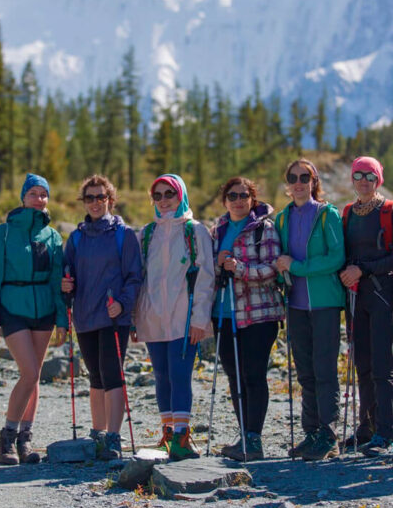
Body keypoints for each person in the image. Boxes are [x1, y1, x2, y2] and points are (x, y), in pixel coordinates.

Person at [0, 174, 67, 465]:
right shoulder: (3, 233)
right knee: (30, 373)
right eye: (33, 193)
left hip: (44, 310)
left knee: (34, 378)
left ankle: (26, 440)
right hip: (12, 309)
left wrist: (62, 319)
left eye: (43, 194)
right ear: (23, 197)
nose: (39, 199)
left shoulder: (53, 236)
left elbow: (57, 280)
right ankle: (7, 436)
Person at [61, 175, 143, 460]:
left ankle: (113, 436)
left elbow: (135, 276)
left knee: (112, 376)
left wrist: (122, 304)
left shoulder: (124, 235)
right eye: (89, 198)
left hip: (113, 317)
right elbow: (67, 272)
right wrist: (66, 285)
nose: (95, 203)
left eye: (100, 197)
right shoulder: (76, 237)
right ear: (83, 202)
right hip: (84, 316)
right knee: (95, 377)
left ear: (110, 200)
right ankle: (97, 433)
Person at [134, 174, 214, 461]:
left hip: (184, 317)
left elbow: (206, 278)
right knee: (161, 376)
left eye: (170, 193)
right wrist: (135, 318)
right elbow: (138, 278)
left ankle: (182, 435)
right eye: (158, 195)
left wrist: (199, 320)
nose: (164, 200)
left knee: (180, 375)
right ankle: (167, 435)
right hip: (153, 316)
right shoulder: (146, 234)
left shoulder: (196, 232)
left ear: (181, 195)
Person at [274, 162, 346, 461]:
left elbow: (336, 257)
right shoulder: (282, 218)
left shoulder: (327, 214)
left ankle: (329, 436)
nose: (299, 182)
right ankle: (311, 432)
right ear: (287, 183)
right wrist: (281, 273)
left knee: (324, 368)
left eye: (305, 177)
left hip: (325, 301)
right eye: (293, 178)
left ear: (314, 181)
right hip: (296, 304)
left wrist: (297, 267)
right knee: (305, 371)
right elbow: (280, 259)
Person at [211, 176, 283, 461]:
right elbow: (212, 272)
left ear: (253, 199)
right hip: (224, 313)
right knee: (234, 376)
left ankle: (254, 439)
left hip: (259, 314)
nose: (238, 200)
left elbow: (272, 269)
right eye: (232, 195)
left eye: (244, 195)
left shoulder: (264, 229)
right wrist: (219, 267)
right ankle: (245, 437)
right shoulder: (218, 229)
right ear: (225, 200)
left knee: (253, 374)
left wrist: (238, 268)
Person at [339, 156, 393, 457]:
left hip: (381, 295)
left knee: (383, 365)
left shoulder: (391, 211)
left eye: (370, 175)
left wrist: (362, 270)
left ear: (378, 179)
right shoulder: (347, 213)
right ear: (352, 180)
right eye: (358, 175)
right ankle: (366, 429)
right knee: (362, 365)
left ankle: (386, 432)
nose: (364, 181)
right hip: (355, 297)